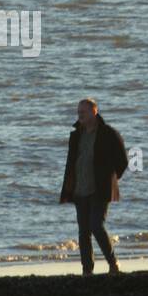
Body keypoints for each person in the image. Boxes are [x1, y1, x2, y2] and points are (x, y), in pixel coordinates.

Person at [59, 98, 128, 276]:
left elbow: (123, 161)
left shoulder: (108, 133)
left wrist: (111, 179)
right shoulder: (76, 135)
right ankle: (87, 270)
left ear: (94, 111)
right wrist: (70, 186)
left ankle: (113, 263)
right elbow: (72, 162)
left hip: (100, 189)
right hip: (79, 189)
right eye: (78, 112)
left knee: (96, 225)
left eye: (84, 111)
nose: (80, 114)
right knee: (83, 232)